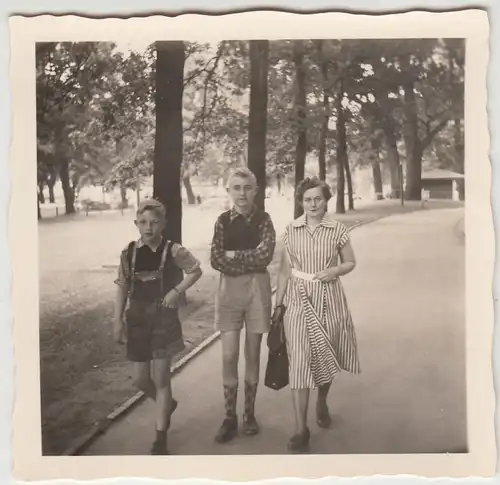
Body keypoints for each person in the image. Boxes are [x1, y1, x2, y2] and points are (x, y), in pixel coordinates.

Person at [274, 177, 361, 453]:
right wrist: (279, 305)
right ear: (301, 202)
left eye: (318, 199)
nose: (312, 204)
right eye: (307, 199)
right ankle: (301, 428)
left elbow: (350, 262)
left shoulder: (337, 230)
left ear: (326, 200)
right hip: (297, 300)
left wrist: (334, 270)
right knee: (299, 361)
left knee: (325, 355)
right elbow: (285, 271)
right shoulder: (291, 230)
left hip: (329, 298)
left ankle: (321, 399)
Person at [114, 199, 202, 455]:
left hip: (163, 319)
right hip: (137, 320)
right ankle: (168, 404)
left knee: (161, 378)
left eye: (154, 222)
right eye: (143, 222)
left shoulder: (173, 251)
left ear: (163, 224)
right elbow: (121, 286)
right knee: (140, 380)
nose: (148, 227)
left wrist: (177, 291)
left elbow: (196, 270)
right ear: (136, 224)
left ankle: (160, 437)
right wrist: (116, 320)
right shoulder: (128, 253)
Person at [210, 167, 276, 443]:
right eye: (236, 187)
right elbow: (216, 258)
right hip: (229, 293)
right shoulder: (223, 221)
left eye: (247, 187)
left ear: (256, 190)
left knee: (252, 353)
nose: (242, 193)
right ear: (228, 191)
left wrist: (234, 255)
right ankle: (229, 415)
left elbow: (265, 255)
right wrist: (243, 258)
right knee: (228, 355)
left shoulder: (264, 220)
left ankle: (248, 413)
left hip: (257, 290)